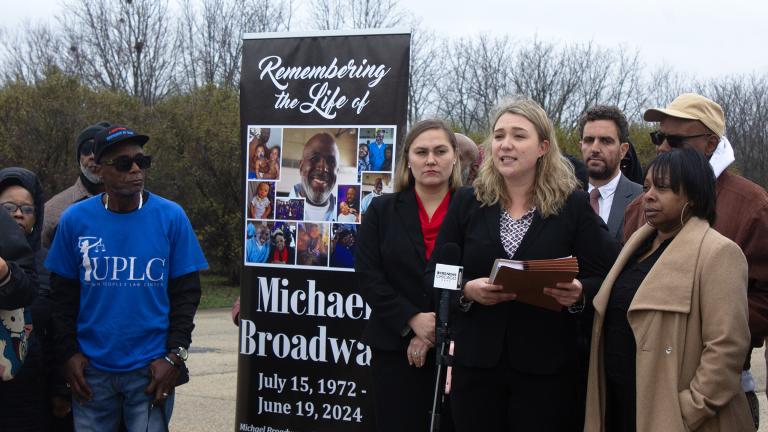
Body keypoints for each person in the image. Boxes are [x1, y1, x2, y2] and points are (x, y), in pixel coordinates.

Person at [426, 98, 617, 431]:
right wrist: (467, 291)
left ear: (543, 146)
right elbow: (436, 273)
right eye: (499, 135)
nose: (506, 144)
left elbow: (609, 273)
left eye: (518, 135)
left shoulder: (571, 204)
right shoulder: (467, 201)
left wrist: (580, 293)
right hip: (476, 370)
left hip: (547, 373)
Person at [46, 124, 209, 432]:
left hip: (150, 371)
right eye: (124, 163)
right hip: (91, 372)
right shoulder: (74, 220)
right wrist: (67, 354)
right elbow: (61, 297)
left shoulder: (171, 217)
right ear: (100, 170)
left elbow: (187, 295)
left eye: (141, 161)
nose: (136, 169)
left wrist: (174, 356)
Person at [622, 93, 768, 427]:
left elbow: (763, 299)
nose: (661, 148)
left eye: (674, 139)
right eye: (658, 137)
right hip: (637, 390)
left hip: (710, 398)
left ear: (710, 144)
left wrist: (692, 399)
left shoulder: (753, 207)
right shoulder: (639, 210)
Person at [585, 148, 754, 431]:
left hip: (673, 418)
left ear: (694, 195)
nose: (648, 195)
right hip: (621, 406)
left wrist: (686, 411)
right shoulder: (637, 245)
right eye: (647, 186)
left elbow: (727, 348)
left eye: (662, 188)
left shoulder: (719, 253)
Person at [356, 119, 462, 432]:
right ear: (408, 160)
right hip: (394, 347)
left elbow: (477, 273)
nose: (431, 159)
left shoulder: (473, 208)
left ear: (454, 156)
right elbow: (368, 275)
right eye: (422, 151)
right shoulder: (382, 210)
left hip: (458, 352)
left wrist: (438, 330)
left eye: (440, 151)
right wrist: (412, 319)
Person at [0, 167, 52, 431]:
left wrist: (61, 389)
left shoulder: (48, 263)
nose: (18, 214)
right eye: (8, 207)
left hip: (30, 388)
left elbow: (58, 327)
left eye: (27, 209)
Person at [578, 105, 642, 240]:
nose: (595, 148)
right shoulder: (561, 197)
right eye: (589, 140)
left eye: (606, 141)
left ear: (623, 150)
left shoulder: (642, 199)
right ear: (581, 146)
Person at [43, 122, 111, 249]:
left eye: (99, 149)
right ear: (79, 159)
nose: (93, 156)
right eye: (86, 149)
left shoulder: (137, 204)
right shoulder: (53, 210)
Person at [289, 132, 339, 221]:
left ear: (337, 172)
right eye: (315, 159)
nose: (323, 168)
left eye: (331, 162)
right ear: (301, 167)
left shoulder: (347, 219)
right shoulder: (275, 211)